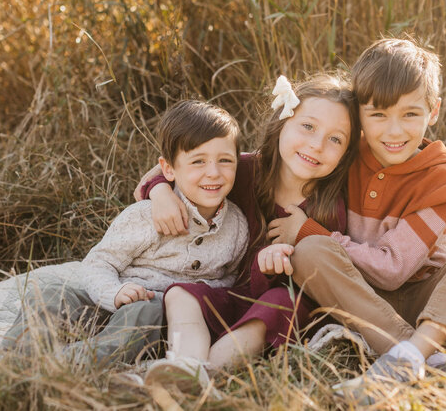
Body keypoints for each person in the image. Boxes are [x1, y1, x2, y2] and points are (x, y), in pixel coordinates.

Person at [279, 39, 446, 400]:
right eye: (378, 115)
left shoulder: (441, 176)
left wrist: (309, 229)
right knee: (308, 252)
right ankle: (428, 357)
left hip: (430, 301)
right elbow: (266, 162)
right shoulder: (344, 148)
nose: (394, 132)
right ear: (359, 114)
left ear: (433, 111)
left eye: (410, 114)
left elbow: (393, 271)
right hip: (358, 298)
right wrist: (160, 182)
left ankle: (407, 356)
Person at [135, 74, 360, 391]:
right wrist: (159, 192)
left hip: (278, 303)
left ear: (346, 153)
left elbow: (318, 278)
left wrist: (284, 257)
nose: (316, 145)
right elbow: (171, 170)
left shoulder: (328, 208)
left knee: (280, 302)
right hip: (228, 291)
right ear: (283, 122)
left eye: (335, 139)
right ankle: (185, 364)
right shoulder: (242, 169)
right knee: (181, 293)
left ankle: (206, 374)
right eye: (308, 126)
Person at [0, 100, 249, 366]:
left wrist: (189, 295)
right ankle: (11, 361)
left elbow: (229, 278)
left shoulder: (236, 226)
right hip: (113, 295)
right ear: (168, 169)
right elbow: (99, 262)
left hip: (156, 315)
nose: (214, 173)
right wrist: (114, 293)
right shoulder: (145, 215)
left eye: (225, 161)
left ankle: (65, 366)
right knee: (50, 293)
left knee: (145, 312)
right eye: (198, 161)